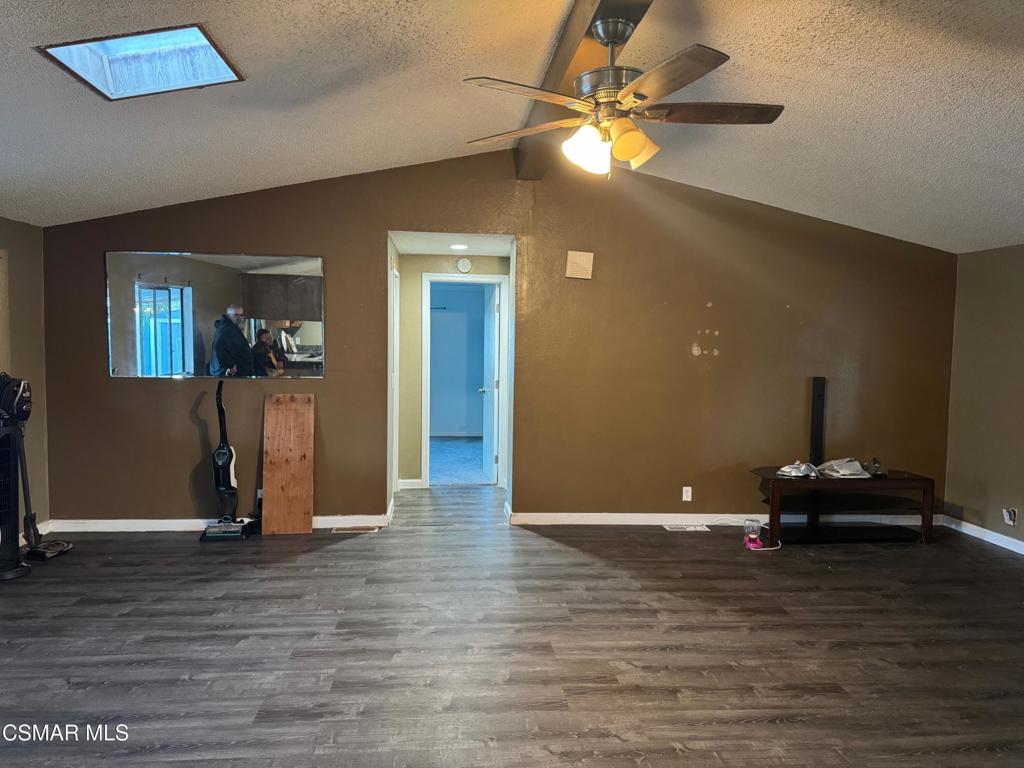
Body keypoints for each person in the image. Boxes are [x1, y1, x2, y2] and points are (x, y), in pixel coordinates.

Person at [210, 305, 254, 377]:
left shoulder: (229, 327)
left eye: (241, 315)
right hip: (232, 376)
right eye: (236, 315)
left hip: (236, 375)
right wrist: (230, 366)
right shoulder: (227, 329)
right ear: (228, 315)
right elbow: (219, 347)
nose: (240, 318)